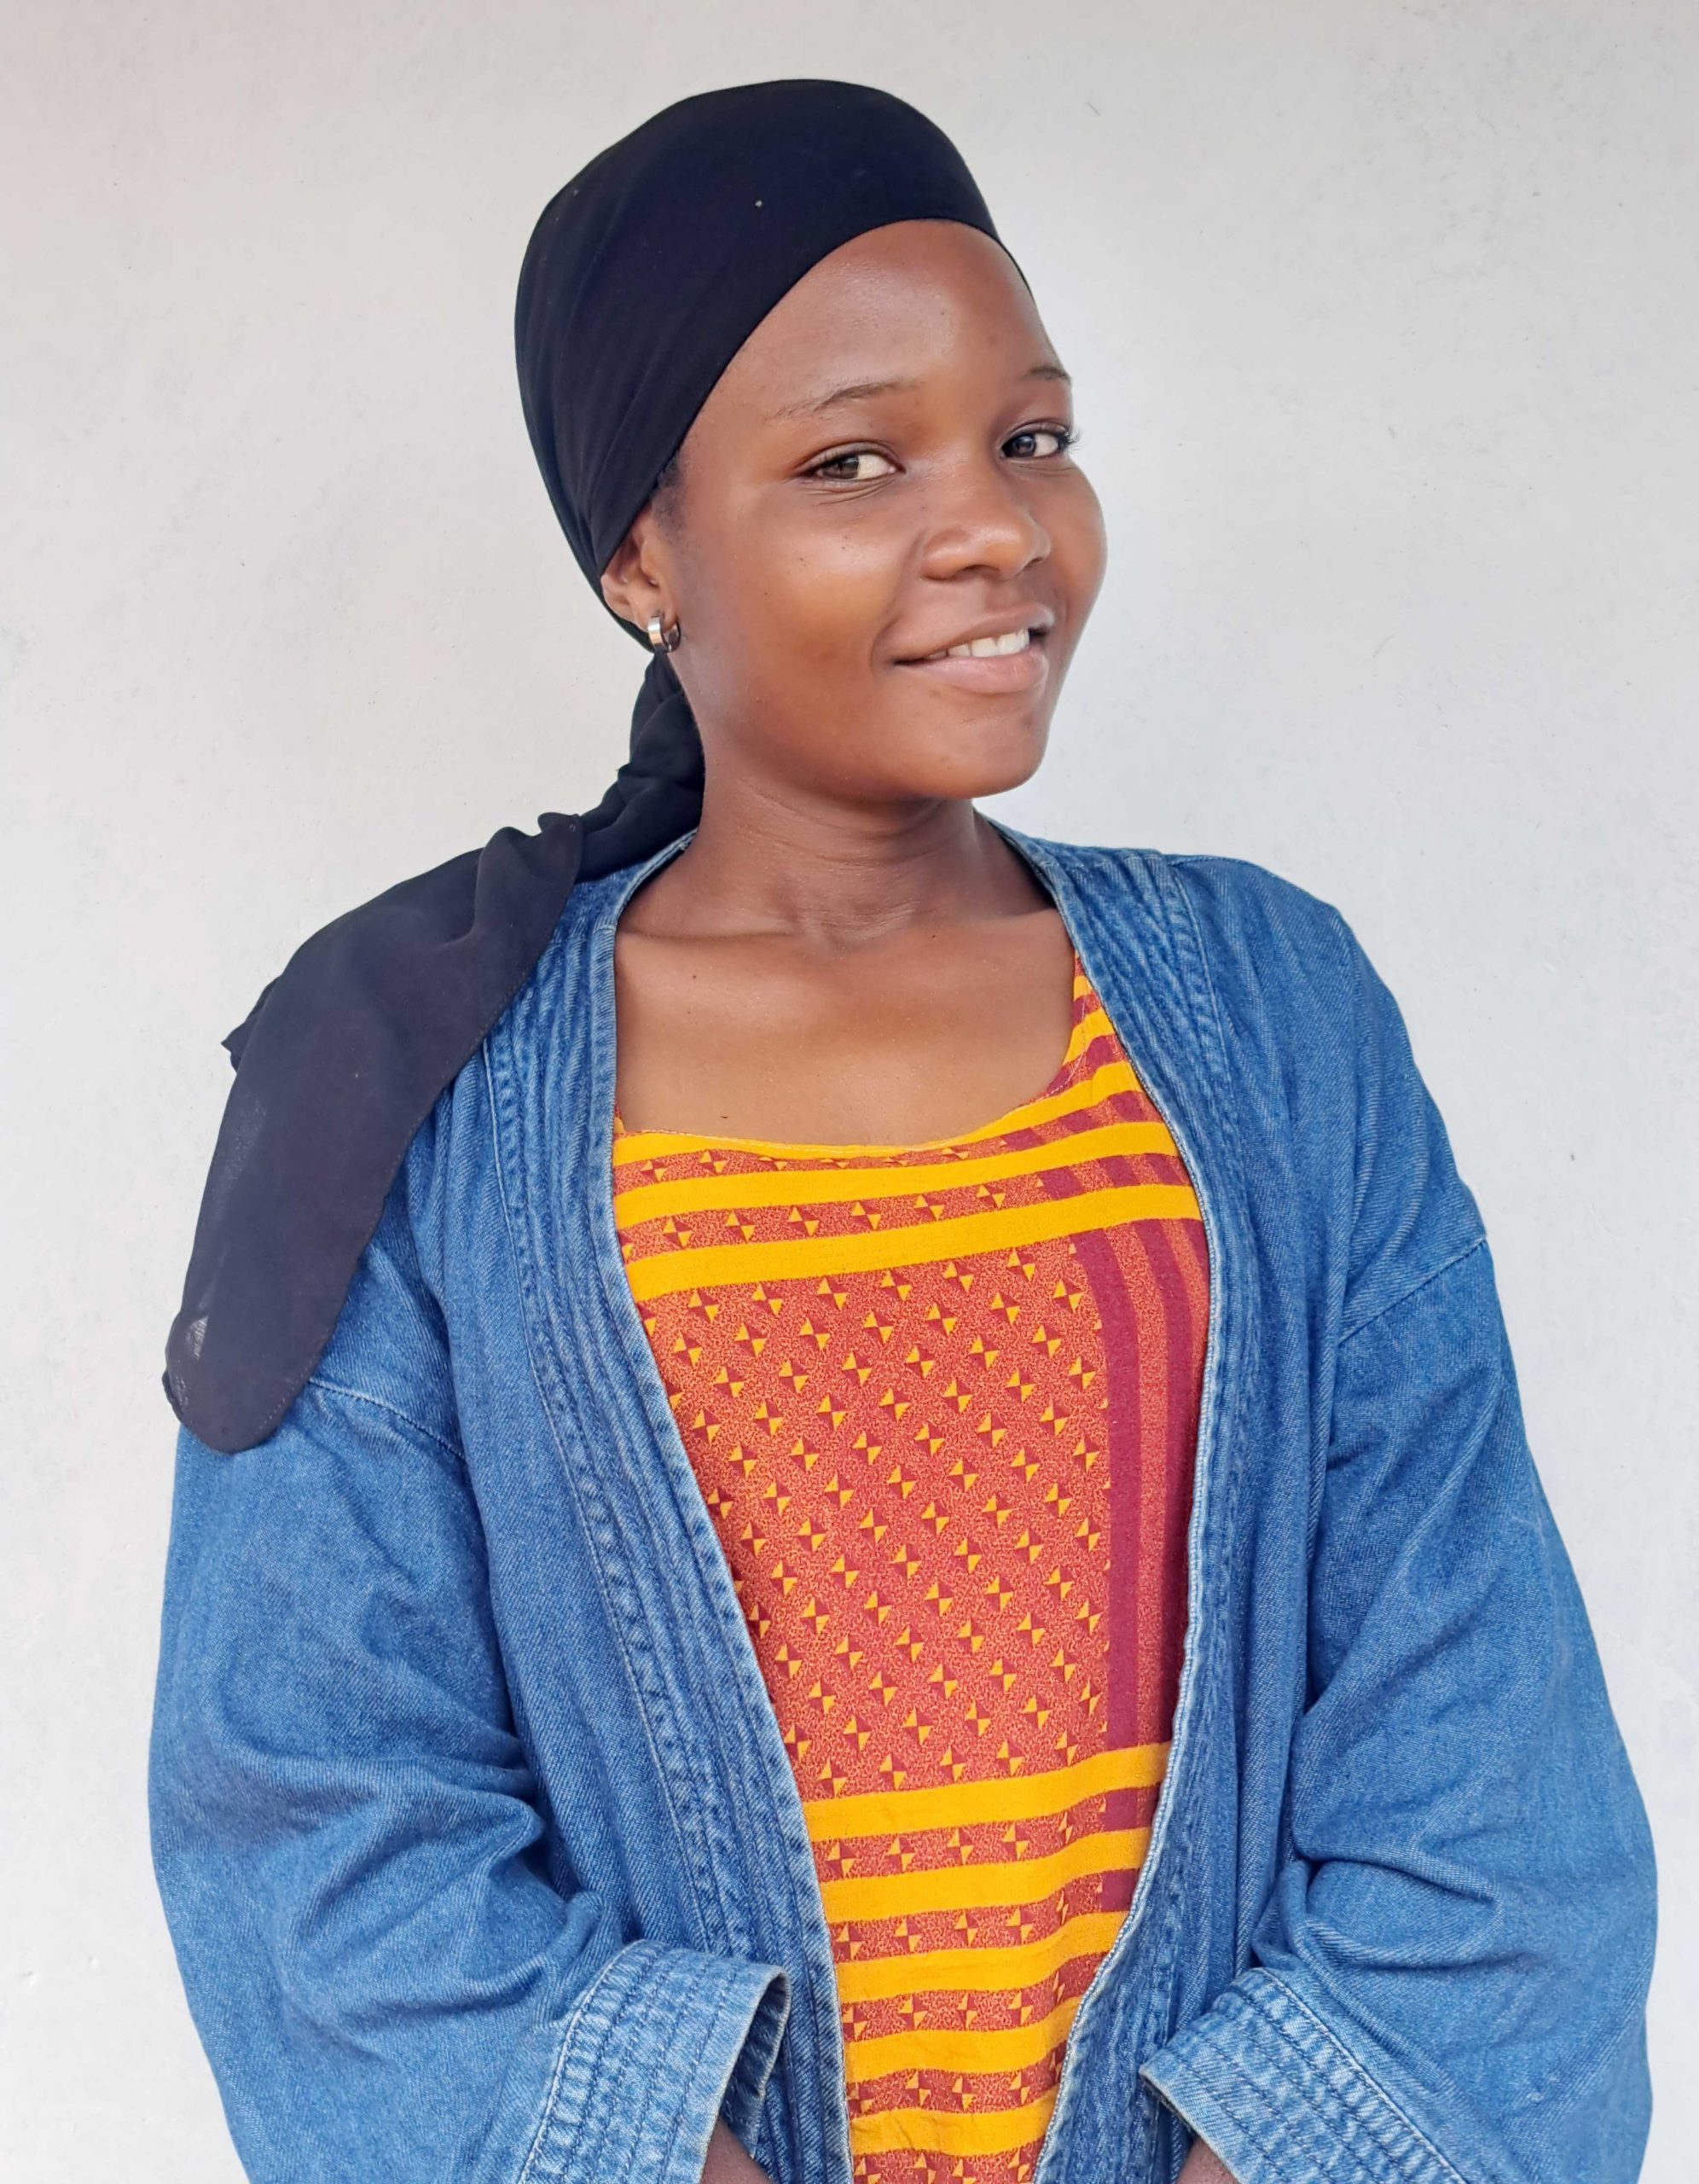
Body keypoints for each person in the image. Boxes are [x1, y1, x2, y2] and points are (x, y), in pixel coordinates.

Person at [149, 78, 1656, 2184]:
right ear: (642, 553)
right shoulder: (415, 1083)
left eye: (1030, 437)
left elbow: (1480, 1739)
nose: (996, 530)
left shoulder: (1275, 1012)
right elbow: (319, 1817)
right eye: (855, 461)